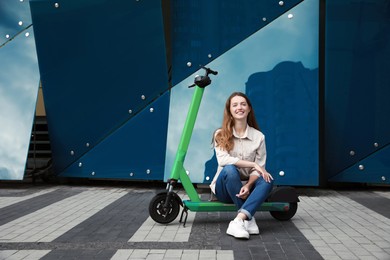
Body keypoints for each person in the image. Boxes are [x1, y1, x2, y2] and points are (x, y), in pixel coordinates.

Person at [210, 92, 274, 239]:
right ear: (230, 110)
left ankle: (239, 220)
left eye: (243, 104)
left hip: (247, 190)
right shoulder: (220, 134)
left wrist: (249, 185)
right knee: (230, 169)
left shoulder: (259, 137)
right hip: (225, 189)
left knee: (267, 178)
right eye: (235, 105)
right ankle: (249, 217)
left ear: (249, 109)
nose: (240, 107)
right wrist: (252, 164)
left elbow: (259, 169)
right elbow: (223, 160)